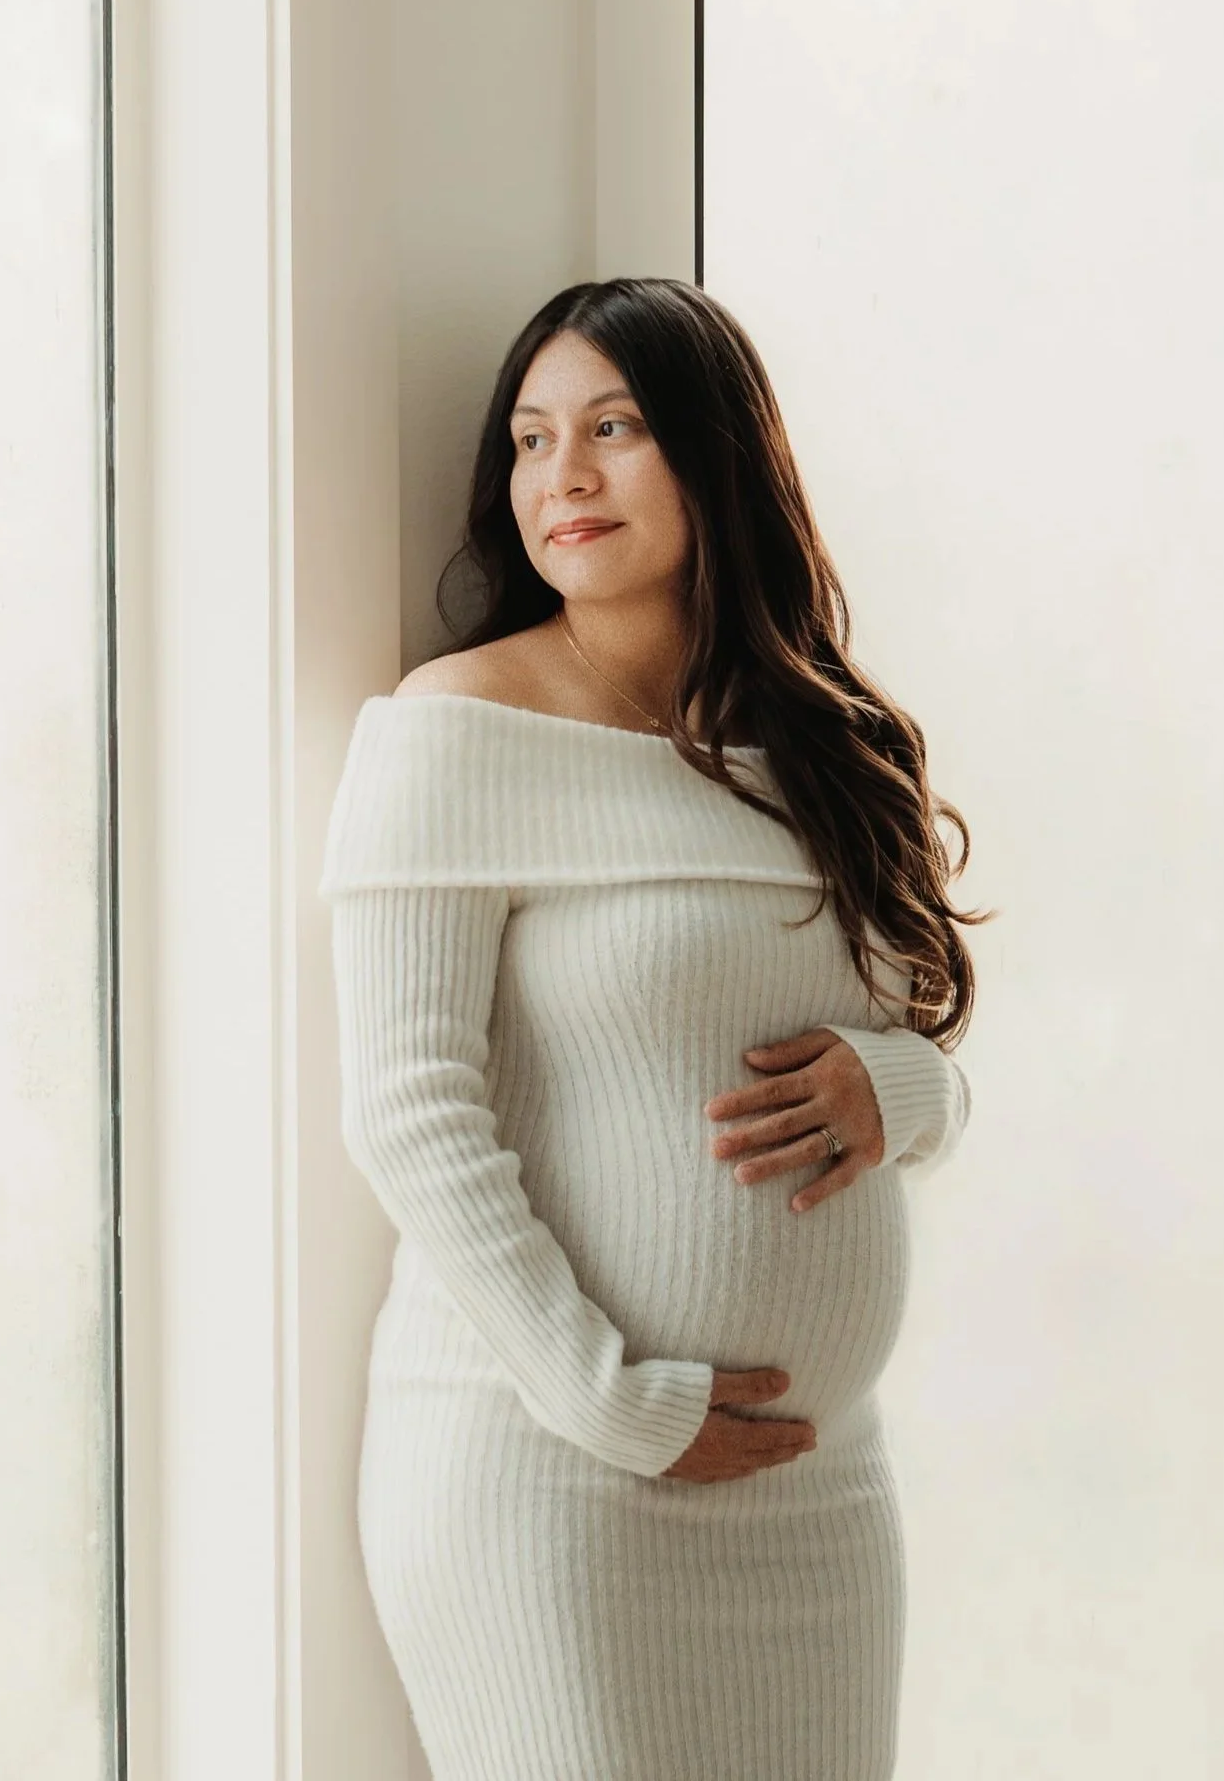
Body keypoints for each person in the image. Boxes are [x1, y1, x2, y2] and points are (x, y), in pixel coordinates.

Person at [317, 277, 982, 1780]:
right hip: (550, 1473)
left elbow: (927, 1059)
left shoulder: (825, 745)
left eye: (613, 428)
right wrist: (611, 1402)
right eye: (531, 436)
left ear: (716, 453)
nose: (562, 474)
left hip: (817, 1487)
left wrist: (902, 1089)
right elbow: (409, 1109)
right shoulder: (452, 728)